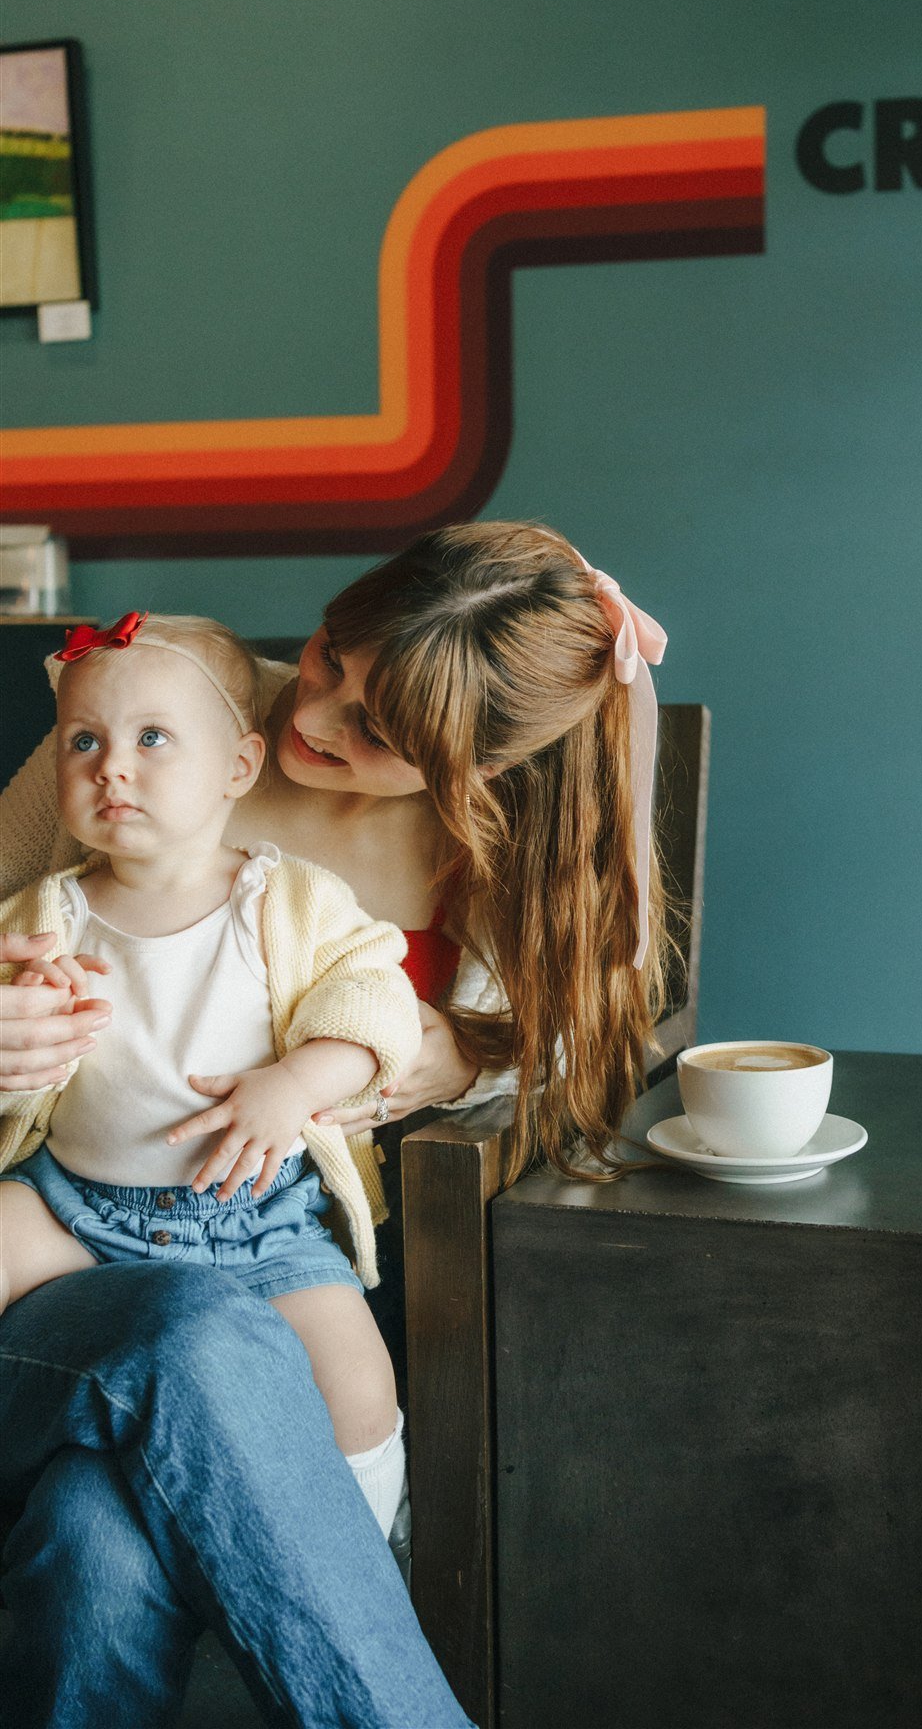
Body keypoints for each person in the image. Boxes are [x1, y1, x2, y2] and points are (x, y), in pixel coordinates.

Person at [0, 518, 668, 1729]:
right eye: (326, 661)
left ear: (473, 771)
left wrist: (441, 1048)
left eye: (374, 732)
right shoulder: (172, 706)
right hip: (62, 1238)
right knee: (200, 1332)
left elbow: (562, 1032)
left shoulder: (498, 848)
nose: (316, 719)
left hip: (257, 1245)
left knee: (95, 1537)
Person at [0, 610, 420, 1553]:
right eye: (83, 740)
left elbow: (374, 996)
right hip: (76, 1214)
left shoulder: (289, 898)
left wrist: (299, 1081)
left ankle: (353, 1551)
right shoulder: (42, 914)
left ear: (237, 767)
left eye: (151, 739)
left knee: (355, 1380)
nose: (112, 765)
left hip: (255, 1221)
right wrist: (25, 1000)